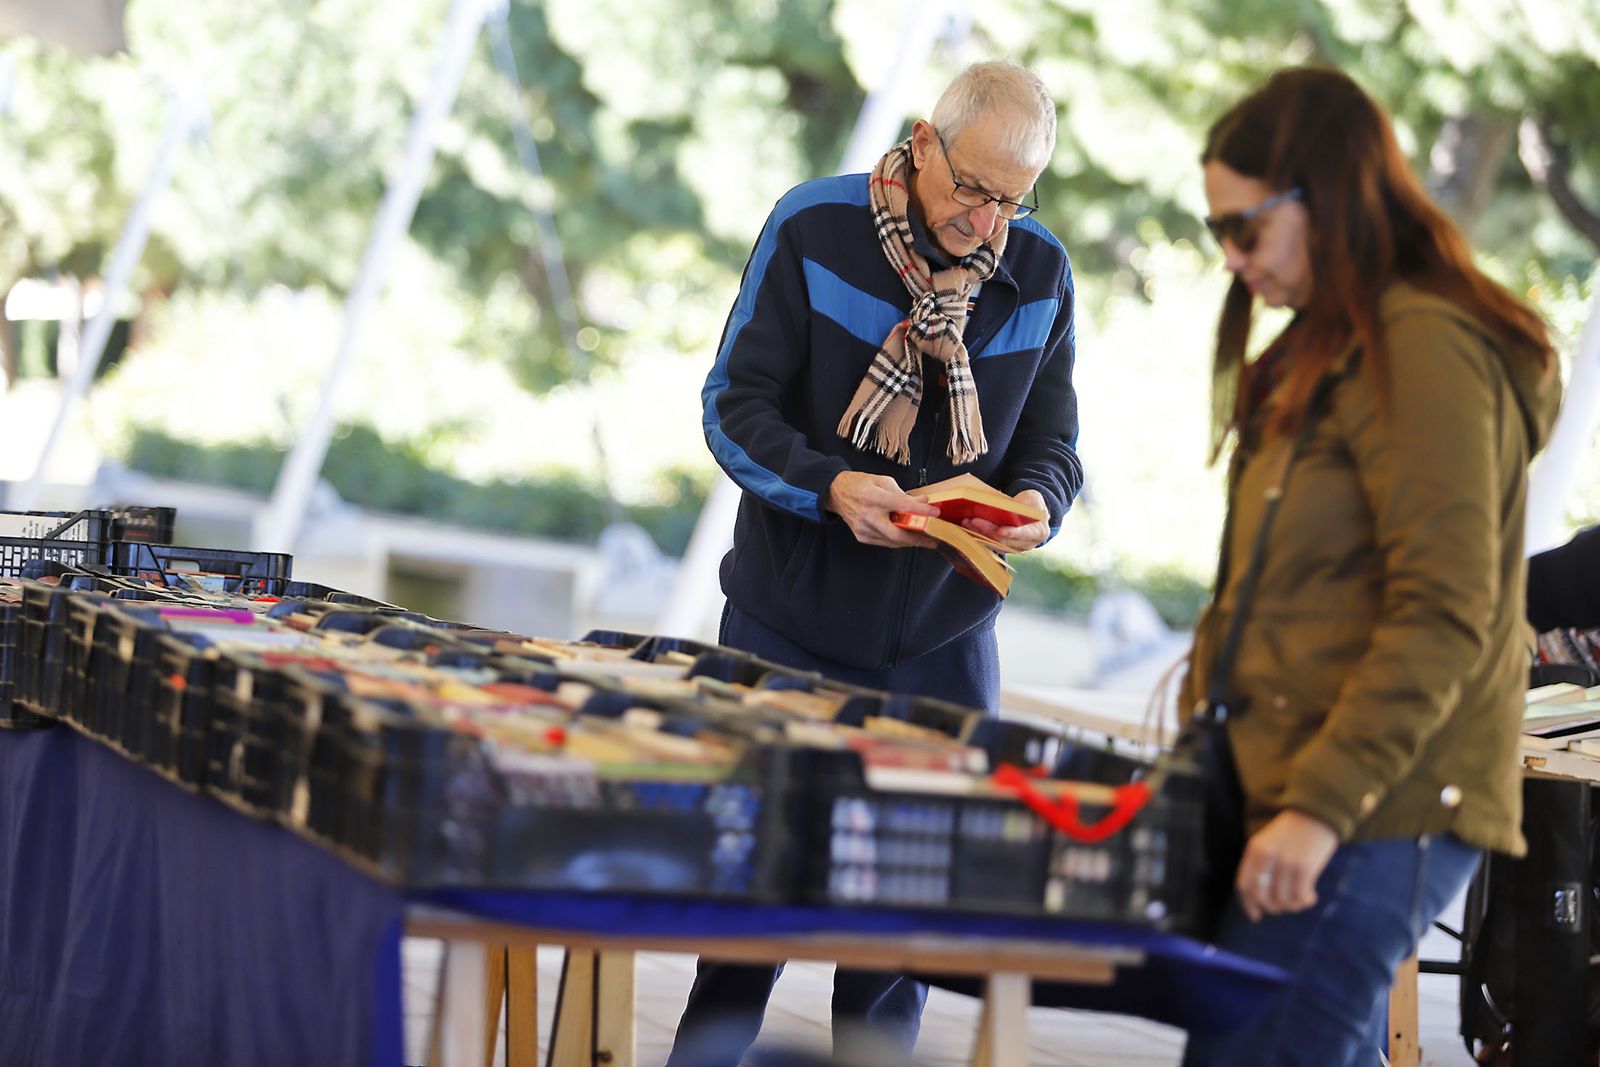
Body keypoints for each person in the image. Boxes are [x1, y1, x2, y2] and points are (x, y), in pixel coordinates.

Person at [668, 61, 1083, 1066]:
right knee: (748, 917)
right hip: (785, 627)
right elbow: (731, 408)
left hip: (945, 645)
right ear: (922, 141)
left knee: (901, 940)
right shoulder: (813, 226)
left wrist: (1039, 504)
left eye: (1013, 201)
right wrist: (831, 486)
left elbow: (1054, 446)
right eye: (971, 189)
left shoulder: (1041, 271)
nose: (987, 223)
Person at [1177, 66, 1561, 1066]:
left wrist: (1317, 807)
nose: (1232, 258)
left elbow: (1445, 609)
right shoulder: (1331, 344)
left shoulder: (1424, 345)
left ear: (1325, 197)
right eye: (1218, 230)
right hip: (1318, 789)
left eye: (1246, 227)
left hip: (1377, 803)